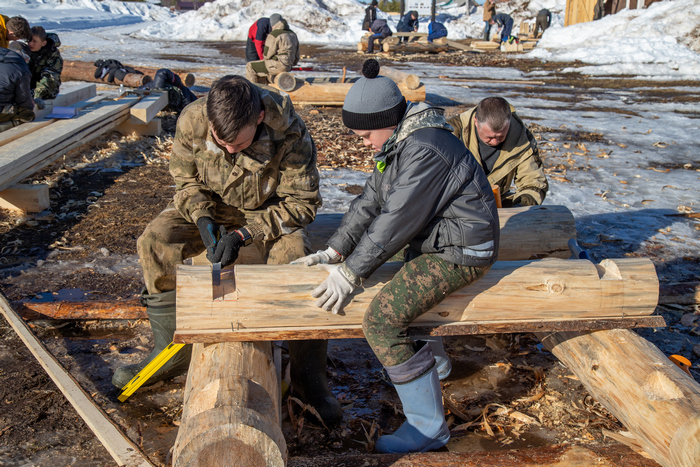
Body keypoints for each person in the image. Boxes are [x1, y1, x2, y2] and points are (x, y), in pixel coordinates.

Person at [291, 59, 499, 453]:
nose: (365, 143)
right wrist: (333, 251)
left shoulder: (425, 150)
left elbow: (395, 220)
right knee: (403, 299)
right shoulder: (403, 140)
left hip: (463, 250)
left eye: (367, 134)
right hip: (439, 242)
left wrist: (351, 273)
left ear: (387, 119)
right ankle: (430, 372)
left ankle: (428, 428)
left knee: (383, 320)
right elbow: (370, 202)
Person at [111, 75, 343, 427]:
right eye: (223, 143)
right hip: (212, 207)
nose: (231, 151)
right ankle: (171, 351)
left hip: (268, 212)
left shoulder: (289, 132)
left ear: (259, 118)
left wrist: (246, 233)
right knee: (155, 242)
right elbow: (185, 182)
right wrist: (203, 219)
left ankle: (308, 377)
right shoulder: (193, 119)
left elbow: (303, 204)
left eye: (240, 143)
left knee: (296, 265)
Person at [447, 97, 548, 207]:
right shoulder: (450, 132)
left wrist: (520, 208)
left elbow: (533, 181)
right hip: (456, 203)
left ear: (509, 122)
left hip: (497, 204)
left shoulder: (522, 139)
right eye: (489, 137)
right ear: (476, 122)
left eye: (501, 136)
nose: (495, 142)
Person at [245, 14, 299, 85]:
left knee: (250, 66)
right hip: (289, 65)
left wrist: (264, 60)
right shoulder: (292, 34)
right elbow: (297, 55)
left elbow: (267, 55)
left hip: (279, 64)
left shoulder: (274, 34)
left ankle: (253, 92)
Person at [0, 41, 34, 132]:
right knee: (27, 114)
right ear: (26, 59)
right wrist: (31, 103)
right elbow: (24, 103)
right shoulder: (21, 69)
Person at [28, 26, 62, 100]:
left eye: (34, 41)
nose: (30, 44)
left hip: (46, 90)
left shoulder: (52, 54)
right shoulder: (24, 50)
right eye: (29, 40)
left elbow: (50, 77)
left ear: (43, 43)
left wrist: (37, 95)